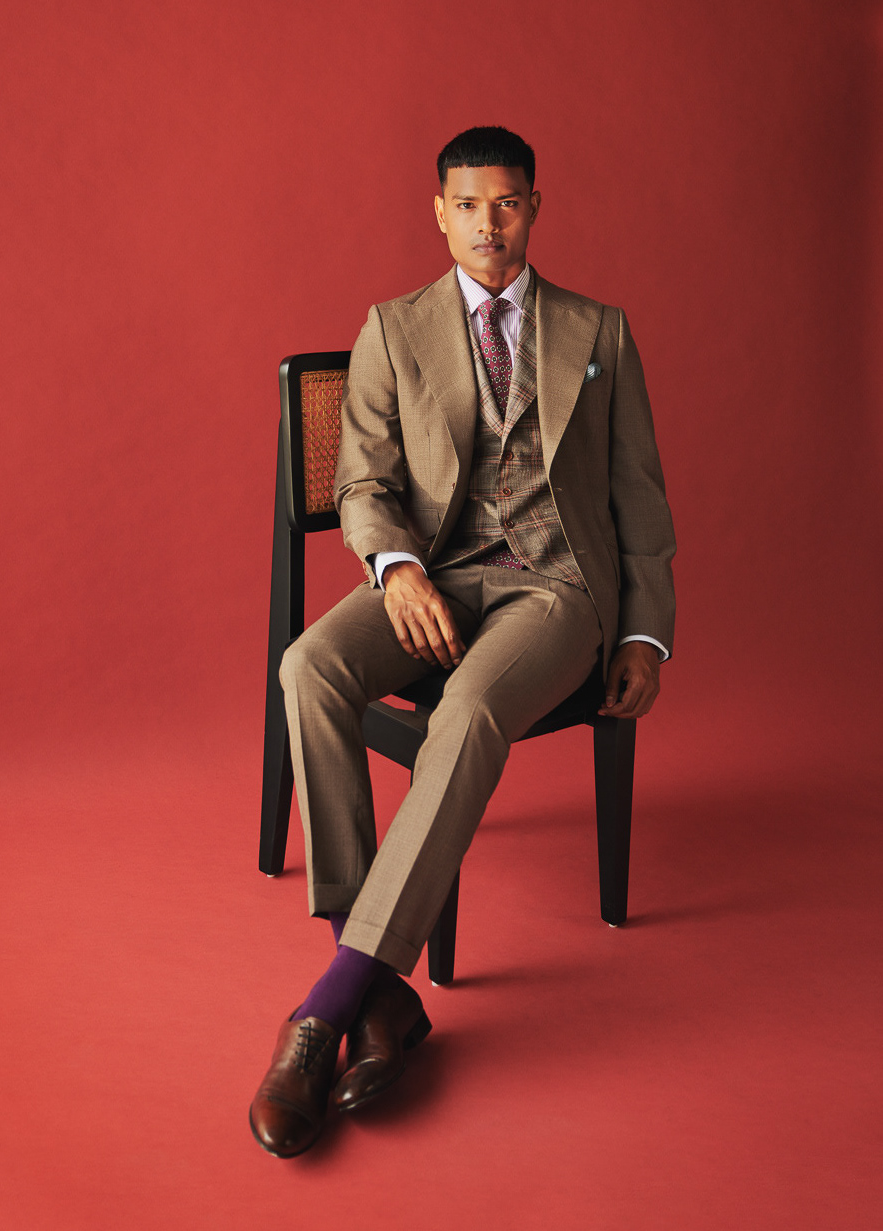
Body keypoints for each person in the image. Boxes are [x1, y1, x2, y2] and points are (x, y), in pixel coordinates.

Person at [249, 126, 676, 1158]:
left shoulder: (600, 331)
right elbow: (362, 480)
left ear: (535, 208)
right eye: (471, 205)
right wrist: (396, 569)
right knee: (309, 666)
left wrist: (645, 634)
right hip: (434, 572)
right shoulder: (393, 329)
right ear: (440, 213)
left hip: (556, 588)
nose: (491, 224)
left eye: (510, 203)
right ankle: (377, 986)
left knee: (471, 710)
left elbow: (639, 493)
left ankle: (324, 1010)